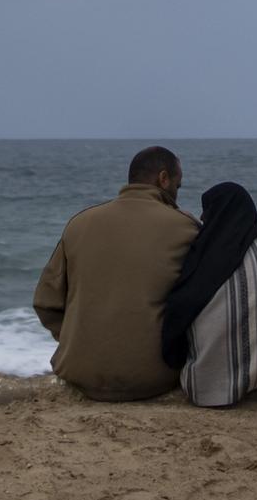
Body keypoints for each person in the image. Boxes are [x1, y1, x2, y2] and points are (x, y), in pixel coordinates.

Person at [30, 145, 198, 401]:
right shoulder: (187, 228)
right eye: (178, 185)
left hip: (79, 372)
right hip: (154, 378)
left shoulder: (79, 223)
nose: (177, 193)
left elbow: (45, 302)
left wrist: (78, 340)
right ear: (163, 179)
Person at [161, 180, 257, 408]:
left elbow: (178, 315)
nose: (201, 216)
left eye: (206, 209)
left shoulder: (199, 256)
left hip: (206, 389)